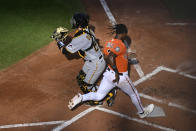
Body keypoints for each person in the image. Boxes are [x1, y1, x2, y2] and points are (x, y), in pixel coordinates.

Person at [68, 24, 154, 118]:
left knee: (99, 95)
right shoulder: (120, 44)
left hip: (108, 74)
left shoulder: (109, 43)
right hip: (120, 77)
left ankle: (81, 98)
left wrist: (126, 56)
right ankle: (142, 112)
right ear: (123, 33)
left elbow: (110, 56)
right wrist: (117, 72)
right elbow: (111, 57)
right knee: (134, 93)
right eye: (126, 34)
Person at [51, 13, 116, 106]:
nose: (72, 22)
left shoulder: (82, 37)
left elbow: (65, 51)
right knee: (80, 79)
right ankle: (101, 93)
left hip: (96, 64)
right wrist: (66, 39)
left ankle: (105, 96)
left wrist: (58, 40)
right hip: (92, 61)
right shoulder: (86, 30)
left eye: (74, 21)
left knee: (87, 85)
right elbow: (77, 40)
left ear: (79, 23)